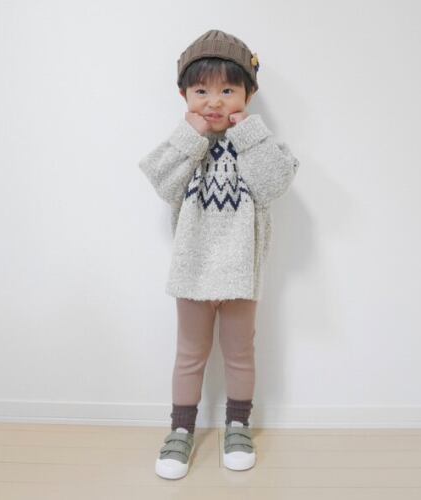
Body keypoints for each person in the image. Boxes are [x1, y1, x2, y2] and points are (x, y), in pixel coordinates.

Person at [138, 29, 300, 480]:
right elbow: (163, 183)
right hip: (192, 270)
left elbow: (274, 184)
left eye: (228, 90)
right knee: (189, 354)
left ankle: (238, 425)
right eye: (201, 91)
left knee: (240, 353)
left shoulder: (256, 142)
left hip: (241, 271)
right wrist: (189, 137)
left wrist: (247, 132)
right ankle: (180, 431)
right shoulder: (185, 144)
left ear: (249, 94)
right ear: (184, 95)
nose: (214, 101)